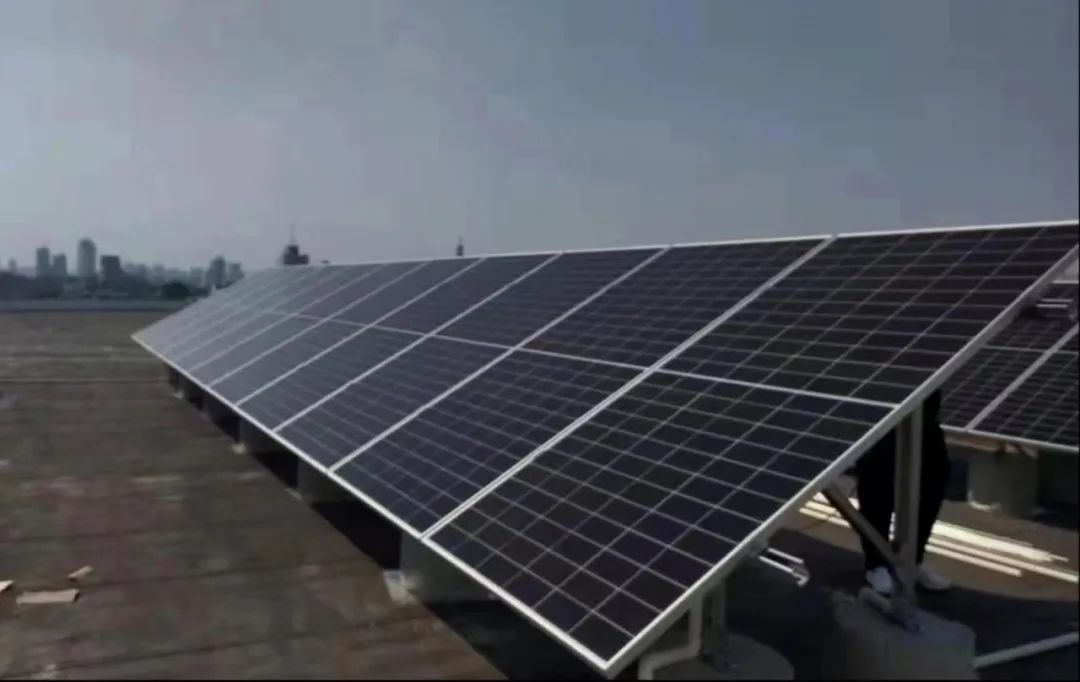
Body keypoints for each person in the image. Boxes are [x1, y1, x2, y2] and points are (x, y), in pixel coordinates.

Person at [855, 388, 952, 595]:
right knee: (877, 489)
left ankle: (912, 560)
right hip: (881, 410)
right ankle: (876, 564)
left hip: (922, 410)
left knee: (933, 480)